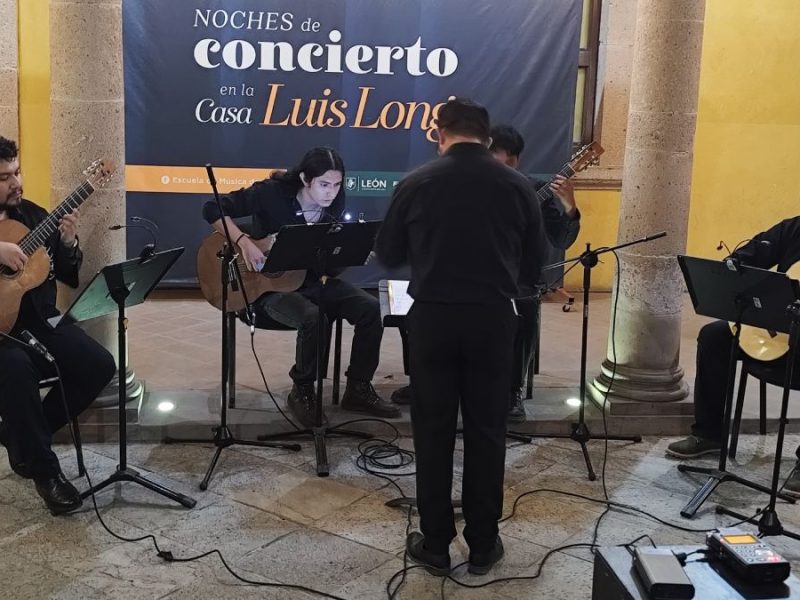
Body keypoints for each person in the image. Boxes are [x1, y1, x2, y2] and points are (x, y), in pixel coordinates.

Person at [376, 98, 547, 575]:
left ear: (439, 134)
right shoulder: (517, 185)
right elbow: (535, 265)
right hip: (492, 320)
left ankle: (434, 544)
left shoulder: (416, 182)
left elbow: (388, 252)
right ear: (487, 137)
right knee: (487, 431)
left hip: (432, 319)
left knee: (432, 431)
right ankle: (483, 545)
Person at [201, 147, 400, 427]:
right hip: (265, 288)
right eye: (324, 184)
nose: (331, 193)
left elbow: (325, 266)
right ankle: (303, 390)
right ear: (306, 179)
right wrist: (244, 242)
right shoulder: (271, 193)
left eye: (337, 185)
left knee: (370, 309)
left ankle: (358, 387)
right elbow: (212, 209)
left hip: (310, 281)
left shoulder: (334, 204)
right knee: (313, 317)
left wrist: (347, 254)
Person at [0, 135, 116, 515]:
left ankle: (22, 440)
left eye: (17, 172)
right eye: (4, 178)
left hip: (40, 320)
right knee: (15, 369)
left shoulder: (35, 216)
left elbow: (67, 275)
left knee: (99, 365)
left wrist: (67, 243)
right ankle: (46, 473)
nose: (16, 183)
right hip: (3, 337)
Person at [666, 216, 800, 493]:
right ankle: (709, 434)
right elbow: (759, 250)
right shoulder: (795, 229)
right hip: (778, 328)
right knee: (714, 336)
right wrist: (736, 263)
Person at [489, 125, 581, 422]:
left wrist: (570, 207)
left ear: (517, 160)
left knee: (525, 309)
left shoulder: (535, 190)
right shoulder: (471, 188)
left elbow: (562, 240)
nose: (504, 164)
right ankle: (430, 382)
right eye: (496, 156)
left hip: (519, 280)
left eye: (510, 158)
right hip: (476, 276)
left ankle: (511, 391)